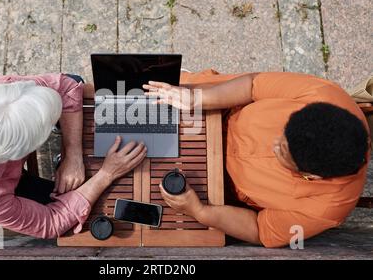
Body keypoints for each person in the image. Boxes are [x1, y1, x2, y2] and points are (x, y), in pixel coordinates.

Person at [143, 70, 370, 248]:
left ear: (311, 176)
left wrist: (199, 211)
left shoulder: (324, 209)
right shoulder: (324, 94)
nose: (274, 143)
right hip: (216, 109)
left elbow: (260, 230)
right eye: (283, 132)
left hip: (210, 186)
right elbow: (252, 85)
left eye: (281, 151)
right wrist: (195, 98)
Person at [0, 74, 146, 238]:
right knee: (87, 206)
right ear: (18, 154)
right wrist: (106, 174)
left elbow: (66, 86)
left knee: (75, 80)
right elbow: (50, 223)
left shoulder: (1, 92)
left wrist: (73, 154)